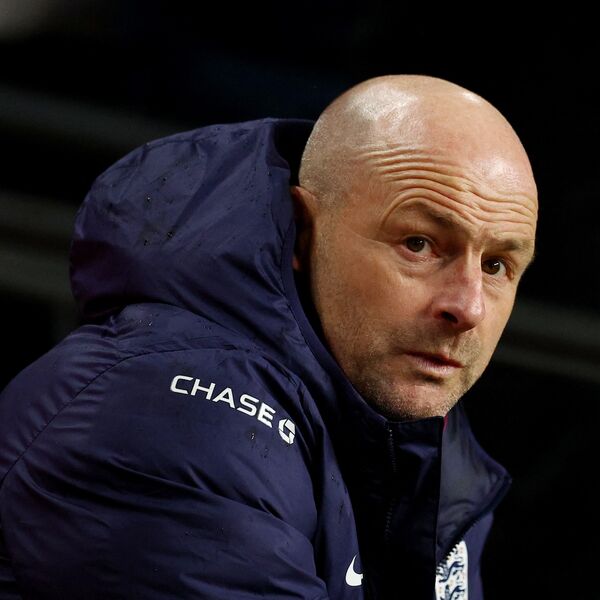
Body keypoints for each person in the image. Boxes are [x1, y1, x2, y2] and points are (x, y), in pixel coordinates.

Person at [0, 75, 537, 599]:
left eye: (495, 265)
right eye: (418, 244)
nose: (467, 307)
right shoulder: (174, 416)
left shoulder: (425, 452)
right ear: (303, 232)